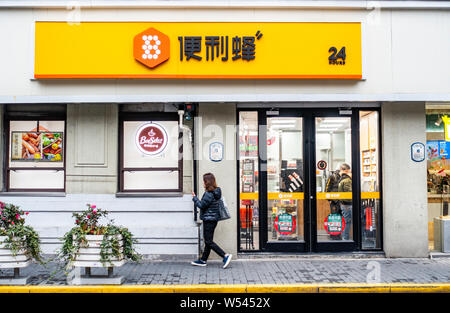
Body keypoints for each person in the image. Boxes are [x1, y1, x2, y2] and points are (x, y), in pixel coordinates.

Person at [191, 173, 232, 269]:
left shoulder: (209, 194)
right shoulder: (216, 192)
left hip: (209, 219)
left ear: (207, 182)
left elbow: (201, 205)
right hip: (213, 219)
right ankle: (203, 260)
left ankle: (225, 256)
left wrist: (194, 198)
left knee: (208, 241)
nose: (203, 183)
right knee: (208, 241)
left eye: (204, 181)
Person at [325, 169, 342, 240]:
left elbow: (327, 188)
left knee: (337, 217)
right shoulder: (332, 176)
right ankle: (334, 234)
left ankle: (337, 234)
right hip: (335, 200)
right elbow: (327, 188)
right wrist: (329, 199)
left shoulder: (342, 177)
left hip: (338, 200)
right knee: (335, 217)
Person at [338, 163, 352, 241]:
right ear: (346, 170)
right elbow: (349, 194)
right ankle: (345, 238)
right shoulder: (347, 180)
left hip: (343, 204)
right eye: (349, 171)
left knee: (346, 221)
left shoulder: (341, 179)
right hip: (347, 204)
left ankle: (345, 237)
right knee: (347, 222)